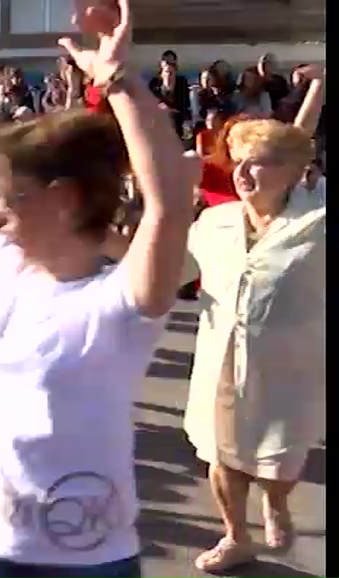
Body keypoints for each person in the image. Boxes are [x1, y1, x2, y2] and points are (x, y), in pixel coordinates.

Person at [0, 0, 194, 574]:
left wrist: (118, 81)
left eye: (11, 194)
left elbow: (169, 205)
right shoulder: (8, 269)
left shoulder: (119, 305)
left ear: (63, 198)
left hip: (87, 565)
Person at [182, 74, 325, 573]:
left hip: (290, 367)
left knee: (280, 458)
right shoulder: (212, 223)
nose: (241, 173)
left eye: (256, 163)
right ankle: (236, 536)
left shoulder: (321, 218)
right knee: (221, 454)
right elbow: (165, 272)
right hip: (220, 363)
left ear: (293, 171)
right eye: (236, 162)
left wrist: (318, 89)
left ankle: (277, 502)